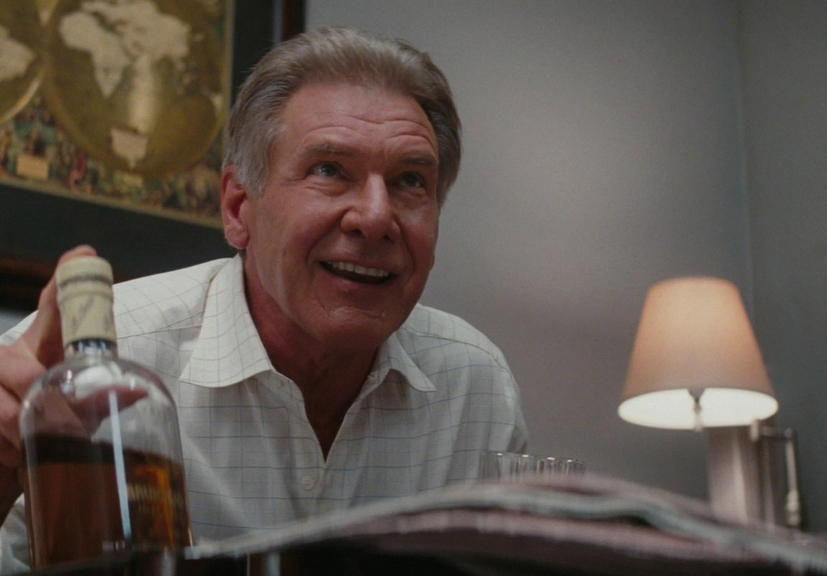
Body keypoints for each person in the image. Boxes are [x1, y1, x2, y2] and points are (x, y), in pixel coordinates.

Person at [0, 26, 527, 570]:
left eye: (411, 181)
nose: (375, 217)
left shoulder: (475, 388)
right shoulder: (81, 374)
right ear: (238, 209)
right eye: (329, 170)